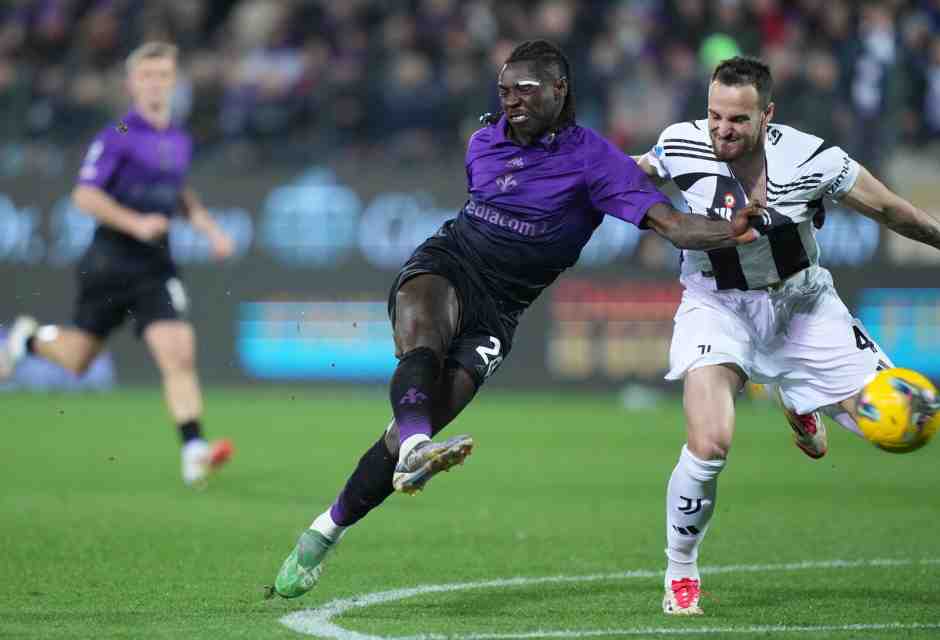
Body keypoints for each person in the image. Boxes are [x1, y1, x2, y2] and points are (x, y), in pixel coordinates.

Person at [267, 40, 769, 600]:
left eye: (525, 90)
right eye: (504, 90)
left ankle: (324, 530)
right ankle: (414, 450)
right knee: (421, 343)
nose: (511, 101)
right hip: (447, 262)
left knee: (415, 420)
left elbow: (672, 225)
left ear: (560, 89)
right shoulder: (483, 141)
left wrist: (732, 230)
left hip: (502, 309)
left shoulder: (595, 161)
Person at [632, 56, 940, 616]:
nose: (722, 129)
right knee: (710, 443)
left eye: (737, 119)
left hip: (803, 308)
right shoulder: (680, 143)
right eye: (714, 115)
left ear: (766, 115)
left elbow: (891, 211)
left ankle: (799, 398)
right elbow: (625, 176)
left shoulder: (813, 159)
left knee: (901, 423)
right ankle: (681, 570)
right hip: (716, 305)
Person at [0, 42, 235, 488]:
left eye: (163, 75)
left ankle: (193, 449)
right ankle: (28, 339)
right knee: (76, 360)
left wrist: (209, 229)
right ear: (131, 84)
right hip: (110, 260)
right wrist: (135, 222)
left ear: (174, 82)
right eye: (146, 75)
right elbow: (84, 195)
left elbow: (178, 191)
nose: (155, 83)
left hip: (156, 265)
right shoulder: (119, 132)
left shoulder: (179, 137)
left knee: (179, 350)